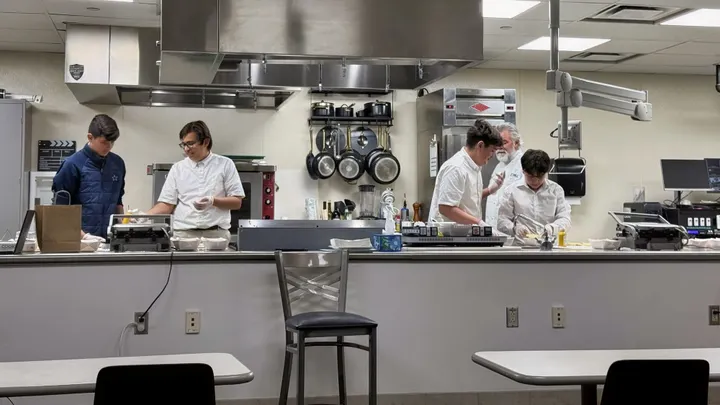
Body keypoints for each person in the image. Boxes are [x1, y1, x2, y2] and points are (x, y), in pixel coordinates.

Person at [145, 120, 244, 240]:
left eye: (190, 143)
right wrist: (144, 216)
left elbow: (236, 202)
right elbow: (167, 204)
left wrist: (213, 201)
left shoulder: (225, 164)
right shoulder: (178, 168)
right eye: (183, 144)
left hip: (216, 235)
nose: (186, 149)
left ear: (206, 142)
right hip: (183, 235)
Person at [52, 114, 125, 240]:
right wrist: (83, 237)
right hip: (77, 242)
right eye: (104, 142)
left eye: (112, 142)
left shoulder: (117, 164)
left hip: (109, 241)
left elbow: (118, 201)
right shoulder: (72, 165)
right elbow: (60, 210)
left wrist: (123, 226)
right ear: (90, 137)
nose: (109, 147)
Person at [428, 119, 504, 225]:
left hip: (464, 237)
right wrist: (478, 222)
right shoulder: (456, 168)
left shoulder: (474, 167)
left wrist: (490, 190)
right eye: (492, 150)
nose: (492, 156)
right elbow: (445, 208)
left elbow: (467, 200)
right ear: (480, 145)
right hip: (448, 238)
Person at [496, 149, 571, 243]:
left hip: (550, 246)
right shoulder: (511, 191)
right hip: (521, 248)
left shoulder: (556, 190)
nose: (535, 181)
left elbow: (565, 218)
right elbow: (502, 221)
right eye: (530, 176)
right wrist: (515, 228)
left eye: (540, 176)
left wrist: (553, 228)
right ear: (523, 171)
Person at [485, 122, 525, 229]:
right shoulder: (499, 166)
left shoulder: (524, 164)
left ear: (516, 143)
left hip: (514, 231)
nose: (499, 147)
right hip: (494, 231)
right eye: (497, 144)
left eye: (504, 142)